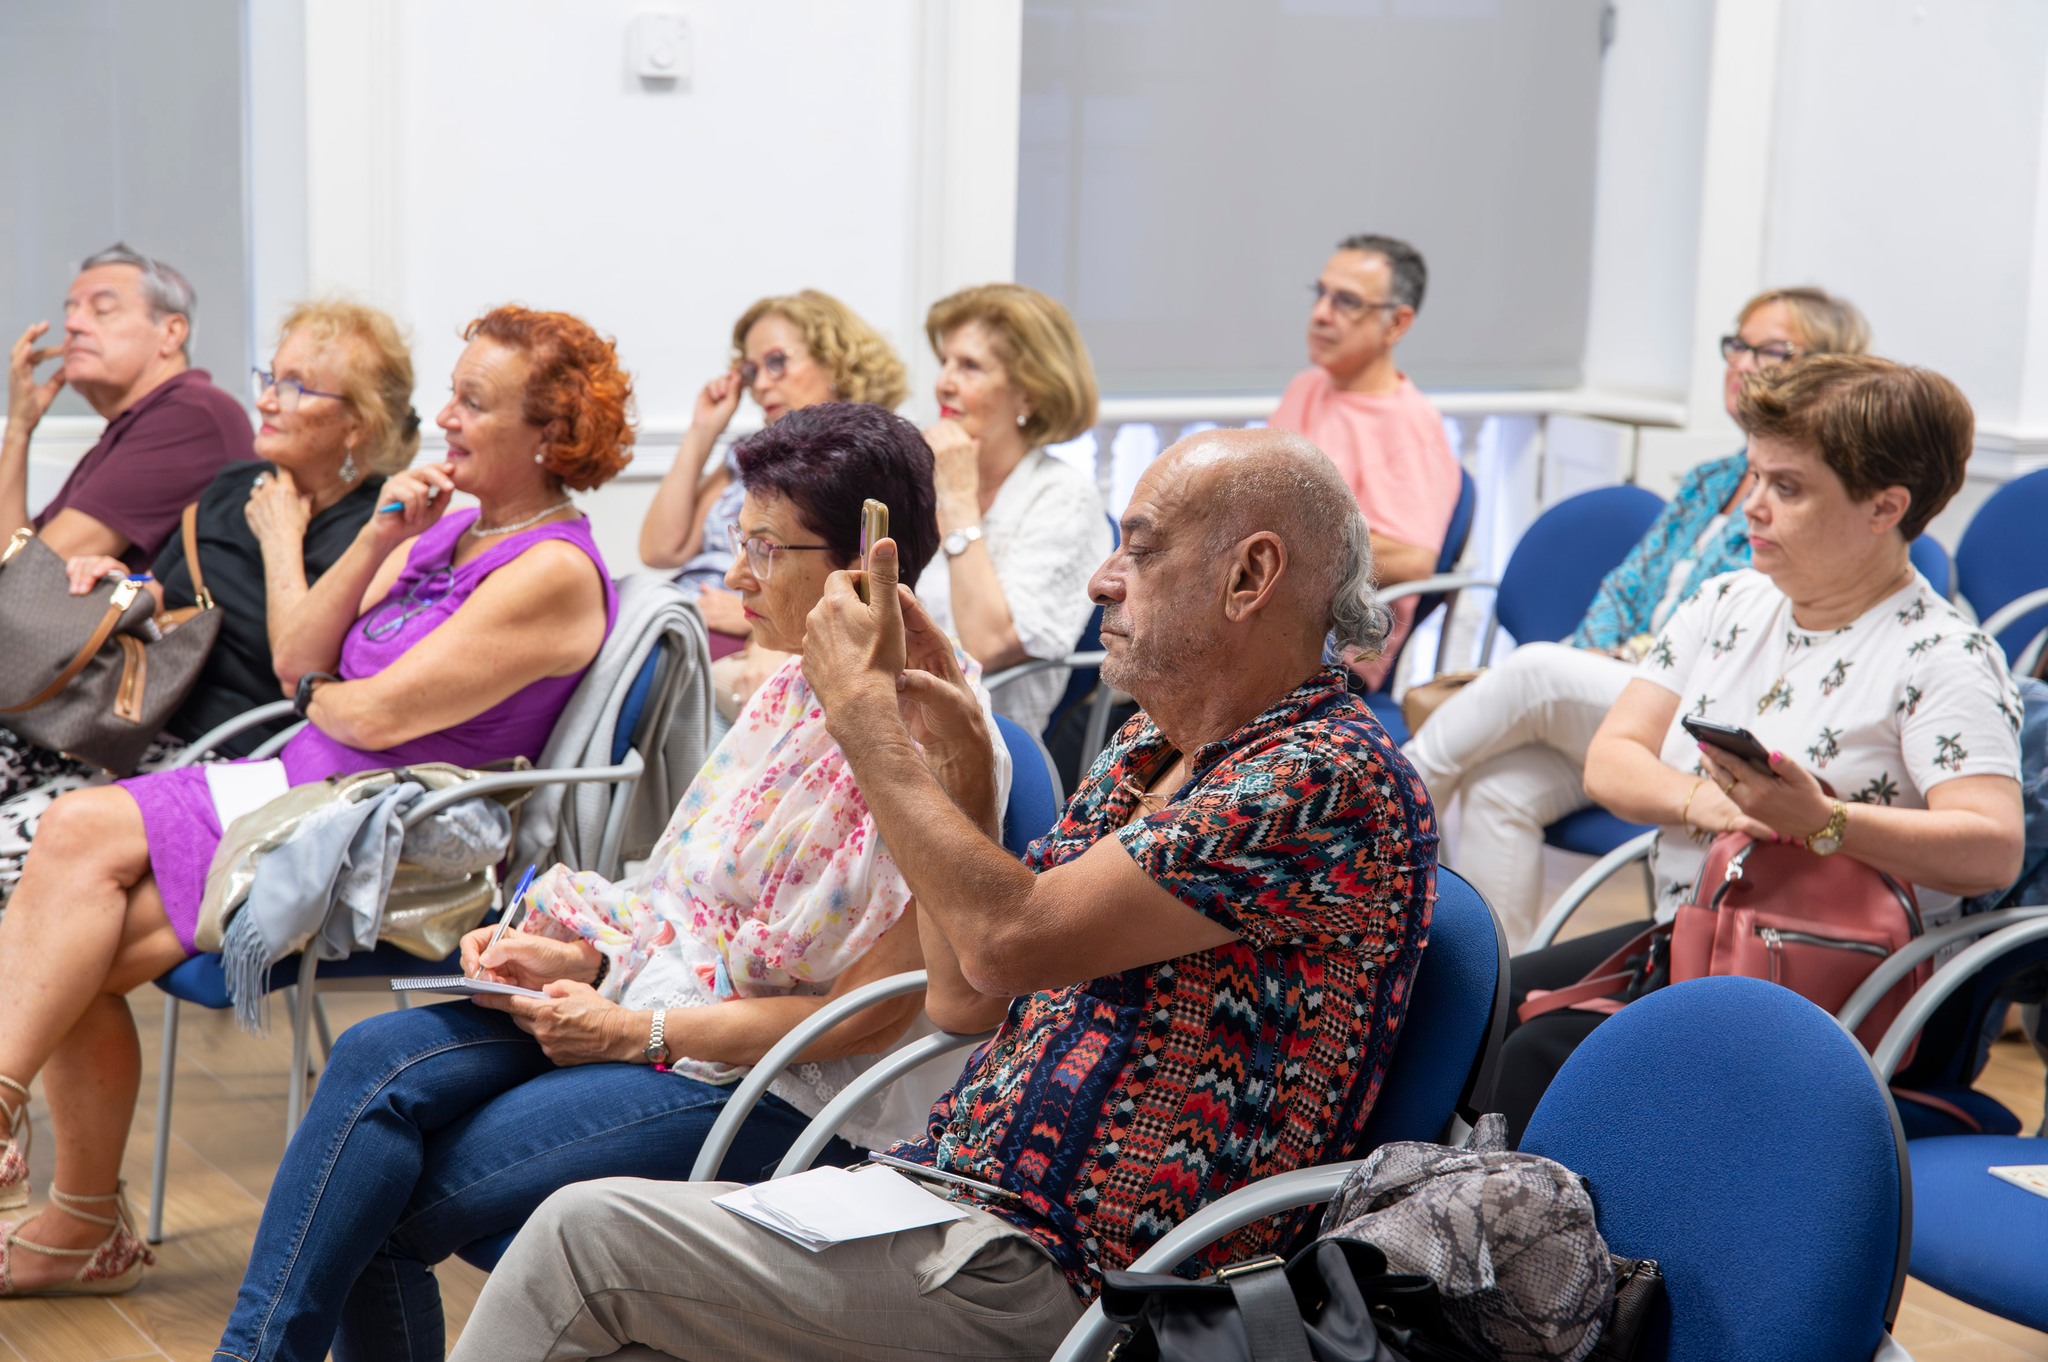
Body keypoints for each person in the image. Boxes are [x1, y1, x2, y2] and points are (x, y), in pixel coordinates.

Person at [448, 428, 1437, 1362]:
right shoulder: (1153, 752)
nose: (1103, 579)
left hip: (1093, 1279)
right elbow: (965, 997)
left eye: (1137, 552)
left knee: (582, 1244)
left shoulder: (1322, 778)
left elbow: (1007, 943)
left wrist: (862, 719)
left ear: (1249, 576)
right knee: (602, 1276)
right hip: (956, 1197)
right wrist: (959, 771)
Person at [210, 402, 992, 1361]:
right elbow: (685, 900)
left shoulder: (932, 737)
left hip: (783, 1088)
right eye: (737, 540)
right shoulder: (795, 681)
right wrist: (574, 950)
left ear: (861, 563)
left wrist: (636, 1031)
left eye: (764, 549)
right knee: (374, 1059)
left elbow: (865, 1017)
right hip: (664, 1007)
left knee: (373, 1200)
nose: (734, 575)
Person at [0, 305, 631, 1296]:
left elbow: (370, 715)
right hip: (297, 782)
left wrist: (315, 696)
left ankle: (72, 1213)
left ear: (549, 435)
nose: (447, 418)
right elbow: (301, 656)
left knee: (67, 923)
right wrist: (383, 534)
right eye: (449, 395)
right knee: (66, 889)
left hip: (376, 828)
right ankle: (59, 1196)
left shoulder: (549, 571)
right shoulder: (446, 527)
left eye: (474, 402)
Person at [1491, 355, 2025, 1141]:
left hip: (1841, 978)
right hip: (1704, 933)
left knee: (1545, 1055)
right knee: (1481, 1003)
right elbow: (1614, 759)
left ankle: (1546, 1251)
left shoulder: (1942, 656)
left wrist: (1824, 822)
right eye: (1756, 477)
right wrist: (1702, 800)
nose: (1753, 507)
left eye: (1789, 488)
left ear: (1885, 507)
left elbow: (1992, 851)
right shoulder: (1729, 604)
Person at [1403, 287, 1871, 944]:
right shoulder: (1710, 478)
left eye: (1770, 349)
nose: (1742, 362)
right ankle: (1491, 988)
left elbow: (1733, 637)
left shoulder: (1815, 500)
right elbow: (1626, 587)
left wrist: (1617, 668)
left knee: (1536, 668)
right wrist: (1596, 649)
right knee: (1498, 788)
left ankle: (1384, 802)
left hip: (1707, 712)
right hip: (1627, 693)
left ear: (1826, 369)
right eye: (1736, 344)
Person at [0, 299, 420, 908]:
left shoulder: (381, 532)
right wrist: (115, 582)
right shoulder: (233, 485)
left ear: (357, 423)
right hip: (129, 725)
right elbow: (162, 605)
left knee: (16, 865)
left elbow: (300, 672)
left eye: (296, 387)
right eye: (270, 377)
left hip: (232, 763)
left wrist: (281, 541)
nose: (268, 399)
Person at [637, 289, 907, 668]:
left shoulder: (869, 458)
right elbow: (661, 550)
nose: (760, 384)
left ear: (836, 362)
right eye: (751, 371)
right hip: (685, 615)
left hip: (747, 632)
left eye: (776, 362)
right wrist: (703, 431)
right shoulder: (748, 453)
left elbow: (863, 579)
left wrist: (751, 616)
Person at [916, 283, 1112, 737]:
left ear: (1029, 393)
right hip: (900, 717)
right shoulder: (929, 476)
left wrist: (961, 503)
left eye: (969, 366)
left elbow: (986, 645)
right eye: (945, 362)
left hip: (985, 746)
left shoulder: (1062, 497)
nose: (944, 382)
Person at [1270, 233, 1461, 690]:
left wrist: (1291, 539)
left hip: (1330, 656)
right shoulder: (1307, 387)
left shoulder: (1408, 424)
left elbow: (1415, 561)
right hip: (1265, 621)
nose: (1320, 314)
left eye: (1347, 302)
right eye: (1321, 295)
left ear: (1396, 323)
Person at [2, 243, 254, 567]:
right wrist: (19, 430)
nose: (72, 325)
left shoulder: (191, 414)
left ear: (171, 332)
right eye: (70, 312)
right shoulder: (128, 428)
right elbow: (14, 565)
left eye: (102, 310)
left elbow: (31, 575)